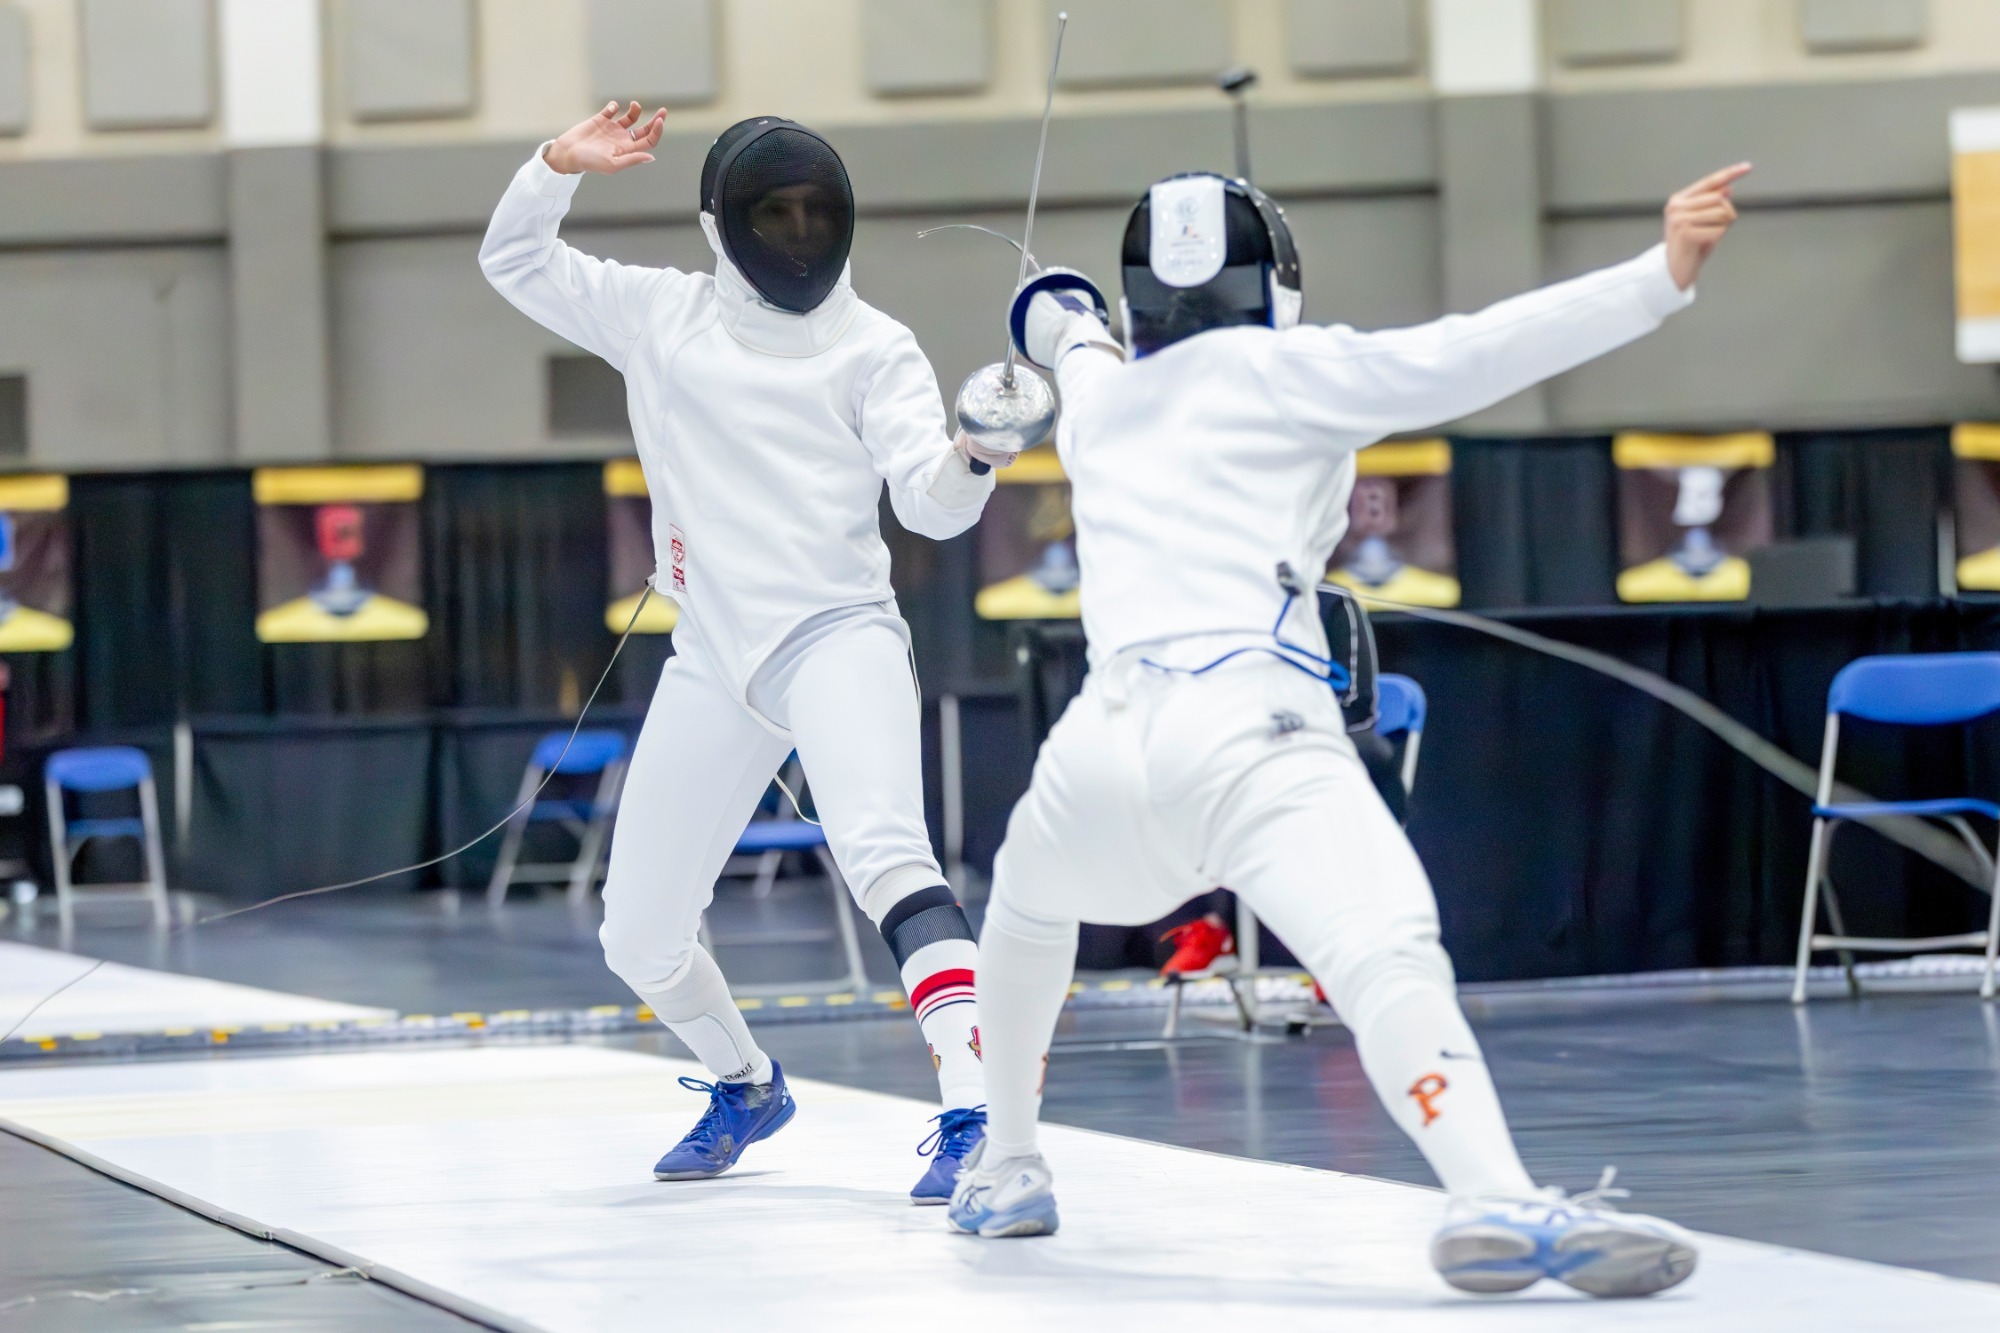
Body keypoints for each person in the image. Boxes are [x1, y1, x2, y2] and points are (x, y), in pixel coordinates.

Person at [948, 163, 1749, 1297]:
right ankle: (1490, 1191)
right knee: (1384, 949)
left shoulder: (1103, 396)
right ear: (1271, 281)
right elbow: (1473, 351)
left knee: (1027, 907)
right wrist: (1655, 277)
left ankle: (1008, 1165)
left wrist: (1051, 309)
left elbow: (1063, 329)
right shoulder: (1295, 370)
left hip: (1100, 744)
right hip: (1248, 725)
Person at [481, 103, 1011, 1200]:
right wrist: (553, 166)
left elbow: (931, 504)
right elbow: (515, 260)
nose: (800, 233)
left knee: (887, 857)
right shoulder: (658, 315)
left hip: (836, 635)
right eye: (776, 213)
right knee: (637, 935)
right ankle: (746, 1083)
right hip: (713, 657)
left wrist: (973, 453)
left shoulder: (875, 346)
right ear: (722, 227)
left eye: (818, 211)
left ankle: (980, 1113)